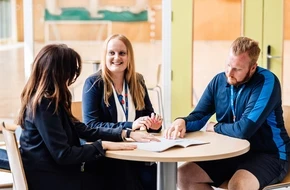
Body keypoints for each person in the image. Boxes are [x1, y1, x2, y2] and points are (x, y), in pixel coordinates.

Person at [17, 44, 159, 190]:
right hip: (49, 178)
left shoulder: (50, 99)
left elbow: (82, 129)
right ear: (60, 72)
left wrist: (125, 133)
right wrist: (102, 145)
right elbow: (63, 154)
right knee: (119, 175)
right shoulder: (44, 104)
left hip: (56, 172)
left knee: (121, 170)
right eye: (71, 72)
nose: (72, 78)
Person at [164, 37, 290, 190]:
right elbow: (199, 116)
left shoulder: (266, 82)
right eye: (228, 65)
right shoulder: (219, 81)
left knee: (238, 184)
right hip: (232, 153)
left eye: (237, 69)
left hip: (270, 155)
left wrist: (215, 127)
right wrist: (182, 121)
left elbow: (244, 130)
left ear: (252, 68)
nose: (229, 73)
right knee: (184, 175)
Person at [82, 34, 162, 190]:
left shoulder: (137, 80)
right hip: (108, 154)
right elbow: (90, 125)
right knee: (133, 180)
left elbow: (148, 115)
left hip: (136, 151)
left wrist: (154, 124)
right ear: (104, 55)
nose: (116, 57)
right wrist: (131, 126)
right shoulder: (94, 83)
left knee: (156, 177)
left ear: (129, 57)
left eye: (122, 53)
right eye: (111, 53)